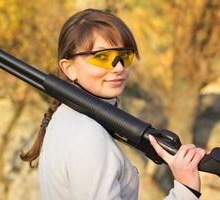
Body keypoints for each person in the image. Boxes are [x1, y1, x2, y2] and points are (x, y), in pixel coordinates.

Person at [20, 8, 206, 200]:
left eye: (124, 56)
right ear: (69, 68)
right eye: (102, 57)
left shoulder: (66, 117)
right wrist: (185, 190)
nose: (119, 67)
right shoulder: (87, 136)